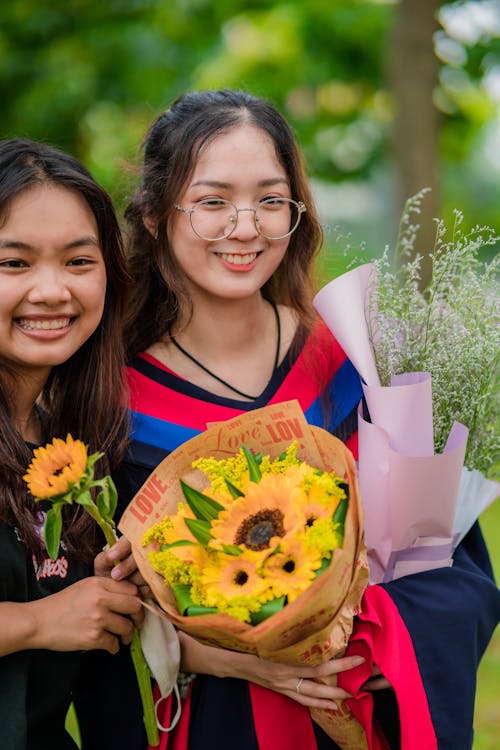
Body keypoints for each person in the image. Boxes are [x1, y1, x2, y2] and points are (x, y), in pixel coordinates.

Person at [115, 90, 499, 749]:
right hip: (219, 726)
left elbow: (455, 565)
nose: (247, 227)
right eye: (213, 202)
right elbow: (95, 609)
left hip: (354, 717)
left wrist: (381, 643)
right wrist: (222, 654)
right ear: (154, 214)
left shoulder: (355, 366)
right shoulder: (112, 400)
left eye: (271, 200)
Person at [0, 138, 146, 750]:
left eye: (79, 262)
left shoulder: (80, 447)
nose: (53, 290)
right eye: (15, 263)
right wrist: (37, 621)